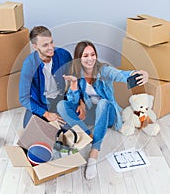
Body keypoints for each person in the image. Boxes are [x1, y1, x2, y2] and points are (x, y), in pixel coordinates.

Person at [57, 40, 149, 179]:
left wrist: (139, 73)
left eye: (93, 54)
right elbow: (73, 102)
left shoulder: (104, 70)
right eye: (85, 55)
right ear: (79, 58)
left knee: (103, 103)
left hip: (108, 113)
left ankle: (94, 153)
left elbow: (121, 75)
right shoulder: (77, 74)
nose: (90, 59)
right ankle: (88, 134)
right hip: (91, 115)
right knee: (61, 106)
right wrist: (74, 85)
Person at [19, 26, 85, 128]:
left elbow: (76, 79)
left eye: (51, 42)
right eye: (45, 45)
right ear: (35, 46)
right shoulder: (29, 64)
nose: (51, 48)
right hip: (40, 102)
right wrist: (46, 114)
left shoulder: (64, 55)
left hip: (60, 99)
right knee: (29, 128)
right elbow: (24, 98)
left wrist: (81, 102)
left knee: (73, 123)